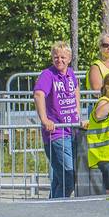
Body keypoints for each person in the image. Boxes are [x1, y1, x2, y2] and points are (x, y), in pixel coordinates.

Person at [33, 42, 81, 198]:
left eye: (62, 57)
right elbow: (39, 94)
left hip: (71, 130)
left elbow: (76, 91)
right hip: (56, 133)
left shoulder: (71, 74)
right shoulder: (48, 74)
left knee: (59, 179)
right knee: (68, 176)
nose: (59, 60)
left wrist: (78, 114)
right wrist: (44, 119)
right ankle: (58, 206)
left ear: (69, 58)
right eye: (56, 57)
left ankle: (51, 208)